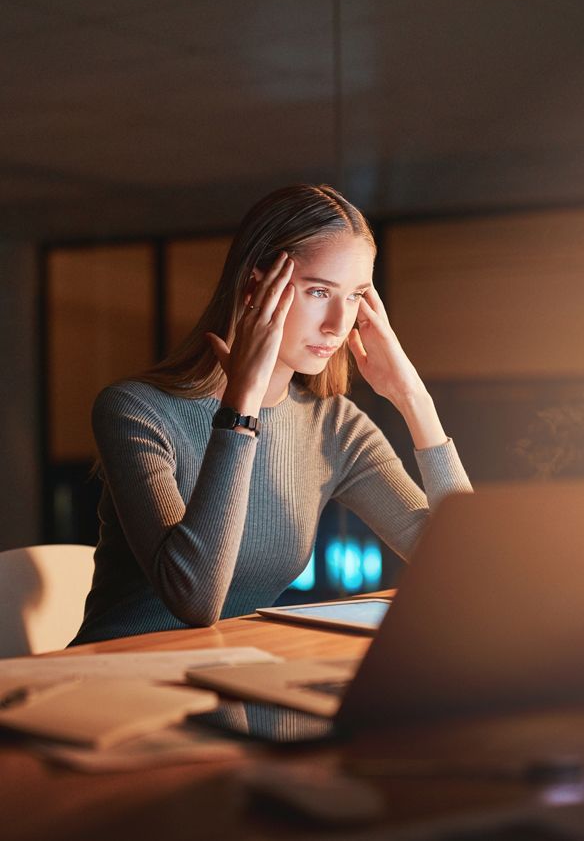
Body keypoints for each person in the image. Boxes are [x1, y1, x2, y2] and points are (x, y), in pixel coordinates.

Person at [72, 184, 471, 645]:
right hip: (111, 680)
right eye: (319, 291)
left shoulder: (335, 426)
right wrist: (241, 409)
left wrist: (413, 398)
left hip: (228, 675)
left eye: (356, 295)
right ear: (254, 287)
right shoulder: (136, 410)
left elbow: (462, 570)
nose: (338, 325)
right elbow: (196, 600)